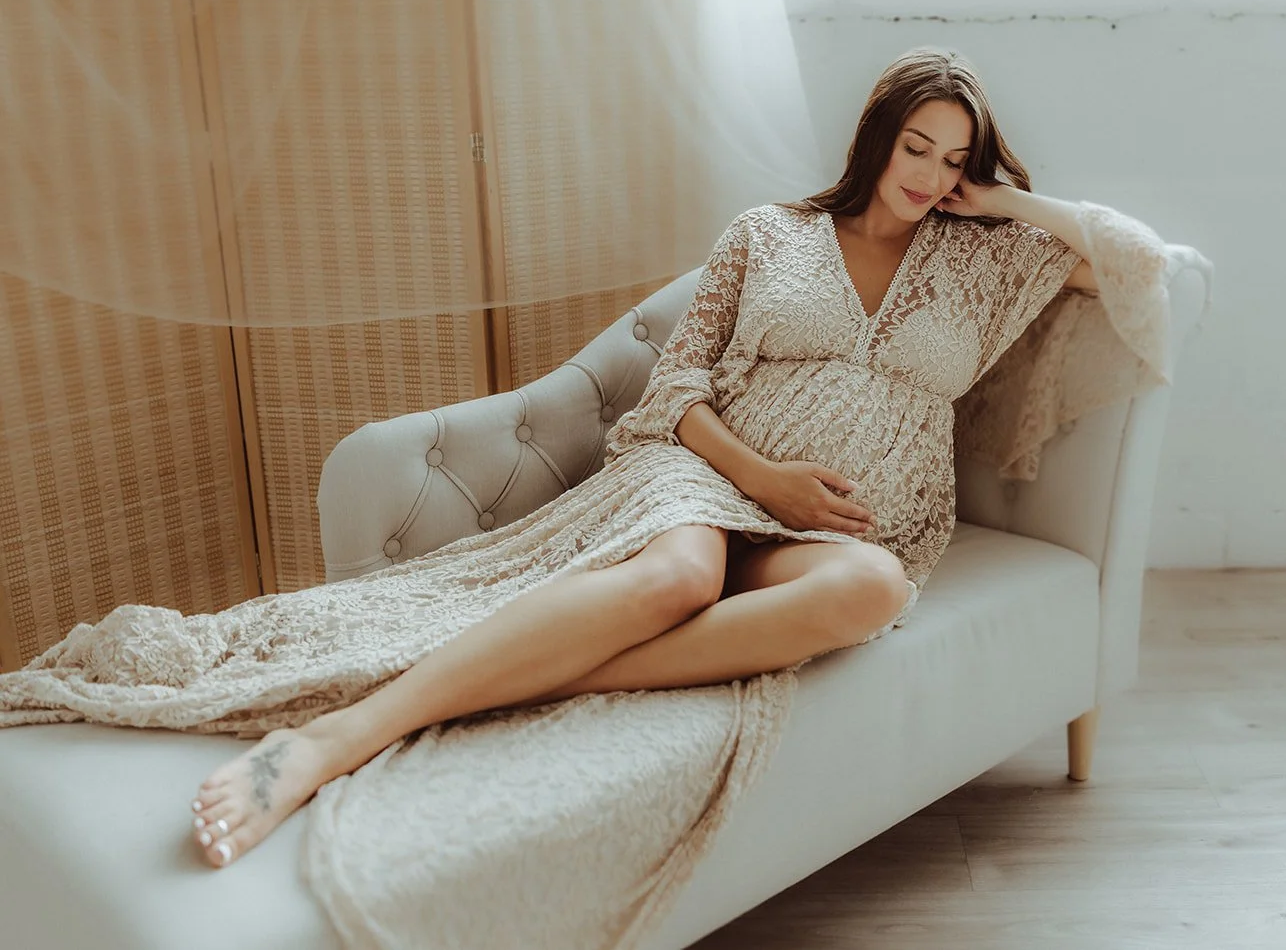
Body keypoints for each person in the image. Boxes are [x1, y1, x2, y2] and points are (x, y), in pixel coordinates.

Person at [19, 46, 1099, 869]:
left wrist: (1001, 198)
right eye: (917, 147)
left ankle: (499, 684)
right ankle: (343, 733)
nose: (929, 174)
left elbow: (1123, 263)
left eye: (954, 158)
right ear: (876, 137)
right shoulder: (768, 234)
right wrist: (761, 478)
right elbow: (675, 388)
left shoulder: (979, 264)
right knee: (676, 578)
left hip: (841, 531)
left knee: (867, 589)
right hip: (707, 476)